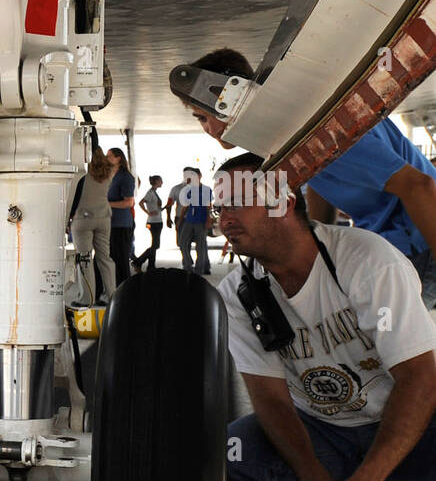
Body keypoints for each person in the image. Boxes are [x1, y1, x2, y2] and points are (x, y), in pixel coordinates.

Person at [216, 152, 436, 481]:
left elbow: (420, 378)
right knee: (224, 455)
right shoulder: (238, 292)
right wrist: (313, 478)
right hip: (325, 431)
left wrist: (370, 479)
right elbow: (270, 399)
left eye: (236, 202)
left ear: (282, 200)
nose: (223, 216)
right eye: (219, 206)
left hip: (412, 426)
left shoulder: (367, 261)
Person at [182, 47, 436, 306]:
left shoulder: (321, 127)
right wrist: (318, 254)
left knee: (377, 337)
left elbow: (419, 186)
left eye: (204, 117)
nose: (208, 129)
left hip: (420, 241)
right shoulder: (290, 129)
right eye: (200, 120)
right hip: (394, 241)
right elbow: (320, 179)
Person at [68, 147, 115, 305]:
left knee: (85, 259)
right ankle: (111, 296)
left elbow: (73, 196)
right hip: (104, 217)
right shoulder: (108, 171)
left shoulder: (81, 172)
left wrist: (68, 217)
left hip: (83, 218)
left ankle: (87, 299)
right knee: (105, 258)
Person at [106, 147, 136, 285]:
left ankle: (125, 288)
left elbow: (129, 202)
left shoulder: (125, 177)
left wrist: (108, 204)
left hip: (121, 224)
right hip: (110, 223)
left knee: (121, 258)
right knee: (110, 257)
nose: (107, 158)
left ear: (119, 158)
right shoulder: (108, 176)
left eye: (110, 156)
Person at [177, 167, 213, 275]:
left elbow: (209, 206)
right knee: (182, 242)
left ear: (200, 176)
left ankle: (199, 269)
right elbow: (185, 206)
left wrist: (208, 220)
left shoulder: (206, 189)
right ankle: (187, 266)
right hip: (189, 220)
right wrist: (180, 219)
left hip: (201, 221)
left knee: (200, 246)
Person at [131, 175, 165, 272]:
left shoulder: (154, 192)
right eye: (160, 180)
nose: (162, 182)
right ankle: (138, 261)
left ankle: (151, 266)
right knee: (155, 245)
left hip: (157, 220)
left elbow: (155, 207)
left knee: (154, 244)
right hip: (153, 222)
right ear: (156, 181)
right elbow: (141, 202)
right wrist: (148, 212)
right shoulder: (150, 193)